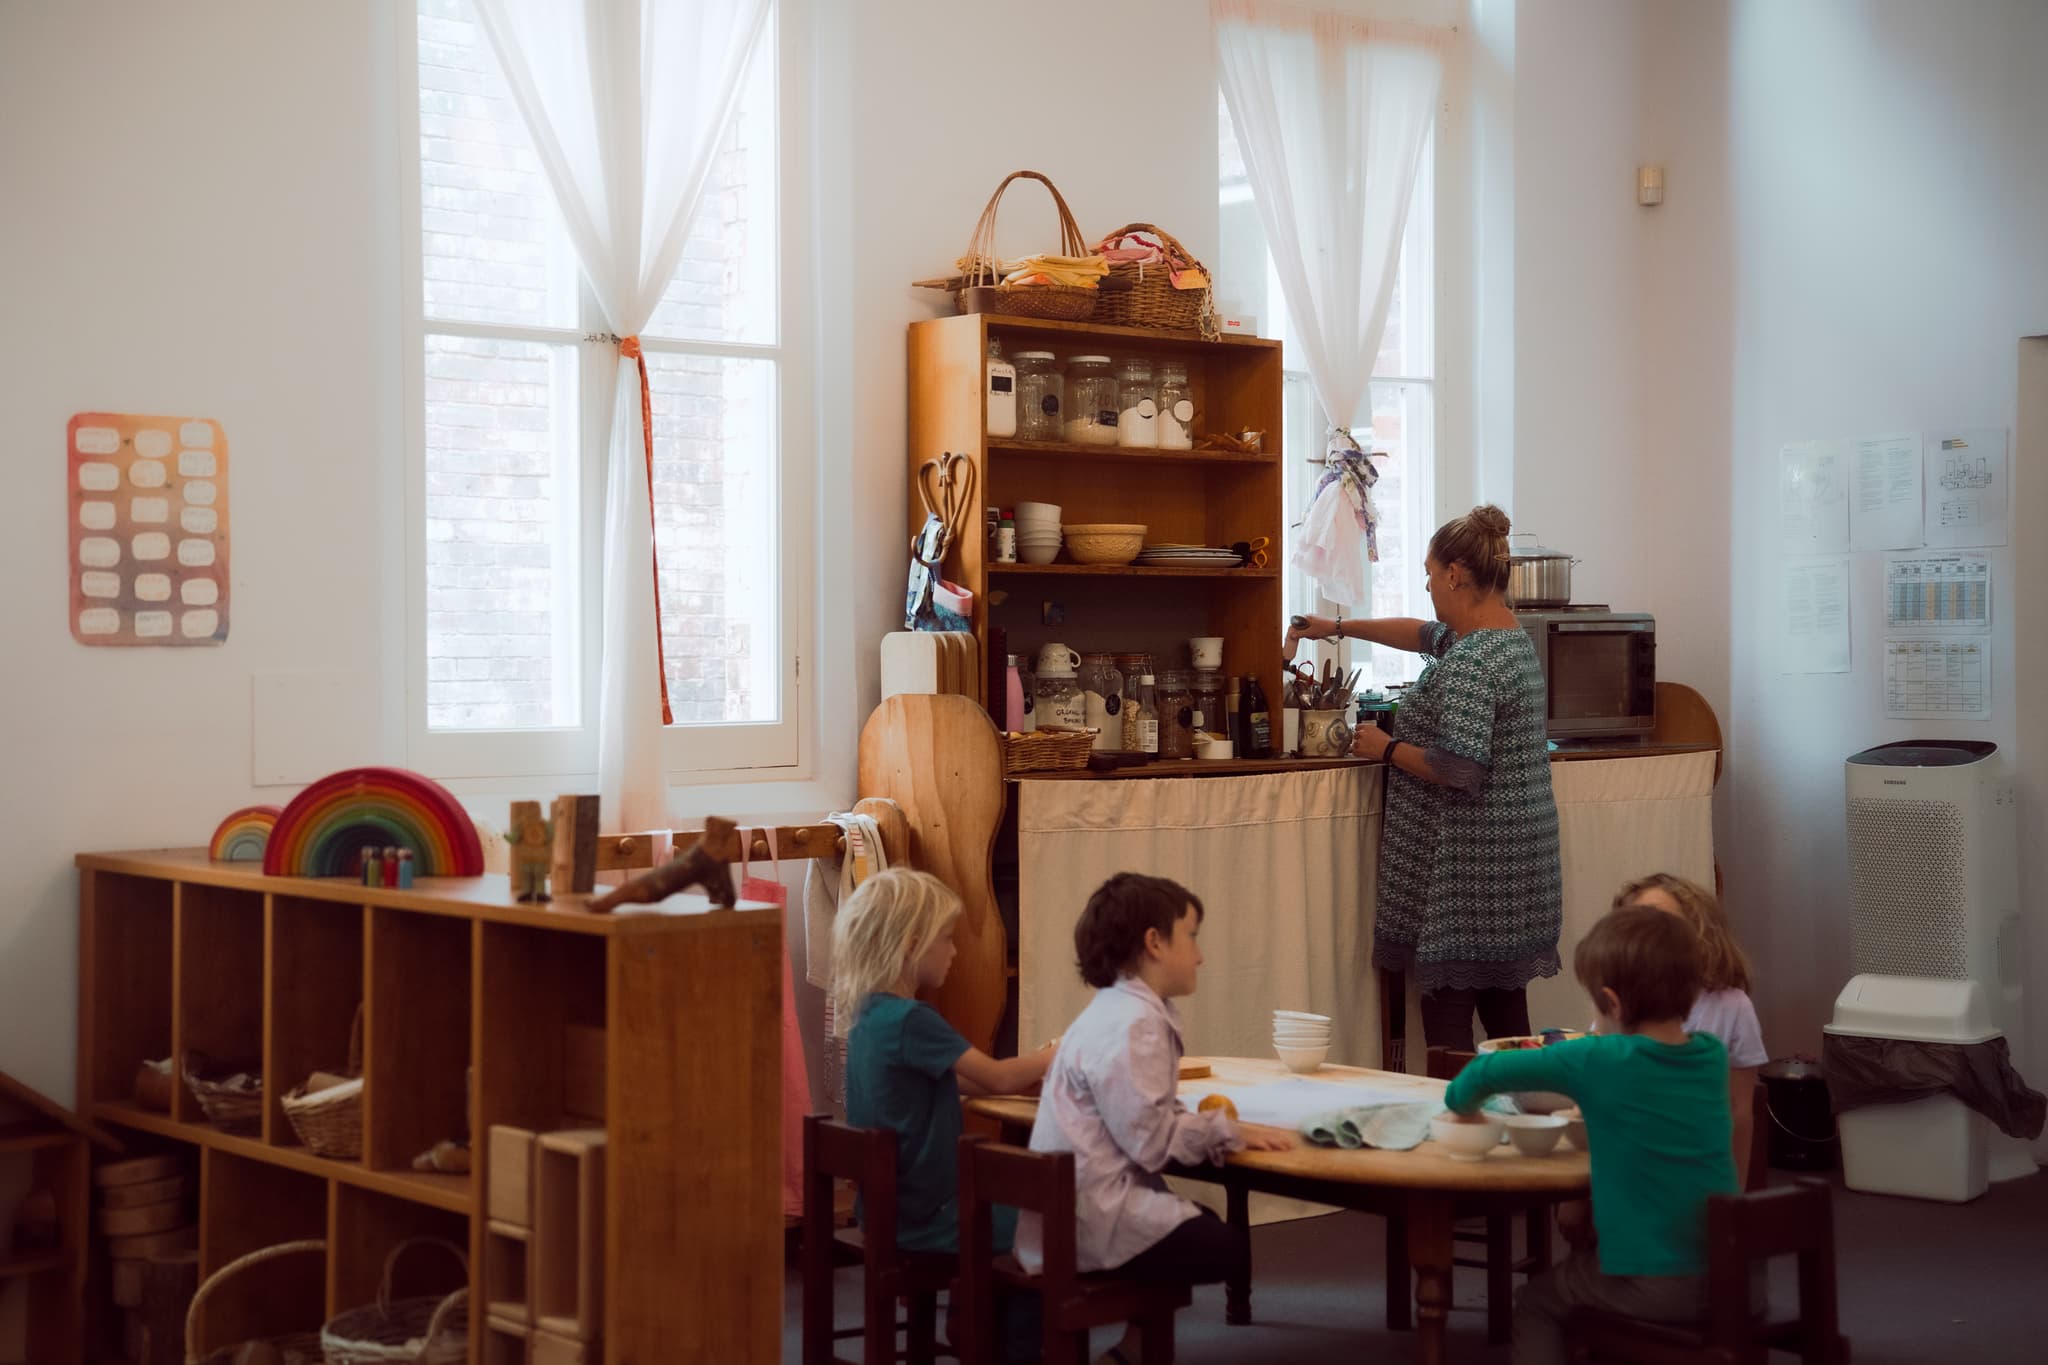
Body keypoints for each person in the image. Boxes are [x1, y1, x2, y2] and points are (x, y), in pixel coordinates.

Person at [1286, 503, 1562, 1049]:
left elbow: (1460, 767)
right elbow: (1420, 633)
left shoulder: (1472, 662)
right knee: (1508, 1018)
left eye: (1431, 573)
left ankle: (1455, 1124)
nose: (1429, 585)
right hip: (1518, 864)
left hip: (1473, 872)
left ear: (1456, 574)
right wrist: (1333, 627)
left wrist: (1387, 749)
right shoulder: (1506, 642)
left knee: (1449, 1025)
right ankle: (1530, 1118)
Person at [1443, 906, 1738, 1365]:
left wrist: (1459, 1108)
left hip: (1655, 1283)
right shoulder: (1711, 1056)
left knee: (1536, 1303)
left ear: (1613, 1005)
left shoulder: (1602, 1059)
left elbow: (1487, 1069)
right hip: (1733, 1276)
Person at [1017, 873, 1291, 1365]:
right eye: (1191, 936)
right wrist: (1229, 1131)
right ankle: (1134, 1352)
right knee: (1225, 1248)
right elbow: (1150, 1140)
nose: (1200, 955)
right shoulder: (1137, 1022)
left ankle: (1134, 1350)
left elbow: (1142, 1115)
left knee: (1195, 1222)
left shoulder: (1110, 1009)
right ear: (1154, 942)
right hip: (1084, 1218)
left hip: (1066, 1209)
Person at [833, 868, 1056, 1255]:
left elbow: (969, 1079)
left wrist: (1030, 1078)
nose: (954, 951)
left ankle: (974, 1310)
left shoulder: (870, 1016)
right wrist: (1060, 1052)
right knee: (1061, 1218)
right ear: (912, 944)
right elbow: (999, 1078)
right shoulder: (911, 1019)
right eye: (947, 938)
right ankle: (998, 1312)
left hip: (888, 1213)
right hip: (934, 1219)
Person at [1614, 873, 1768, 1186]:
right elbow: (1598, 1103)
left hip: (1699, 1171)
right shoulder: (1618, 1004)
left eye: (1660, 922)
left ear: (1698, 931)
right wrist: (1578, 1198)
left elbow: (1739, 1110)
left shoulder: (1732, 1006)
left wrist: (1733, 1194)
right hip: (1629, 1169)